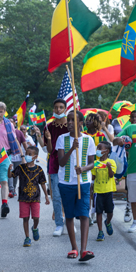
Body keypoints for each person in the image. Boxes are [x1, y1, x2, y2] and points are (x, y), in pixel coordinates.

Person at [56, 111, 96, 261]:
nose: (70, 123)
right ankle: (74, 248)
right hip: (66, 182)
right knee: (70, 214)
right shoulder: (62, 139)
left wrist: (84, 169)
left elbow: (92, 162)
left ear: (81, 123)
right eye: (69, 120)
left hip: (84, 182)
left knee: (84, 213)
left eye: (74, 120)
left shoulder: (88, 140)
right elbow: (61, 162)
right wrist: (72, 148)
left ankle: (84, 249)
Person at [8, 146, 50, 247]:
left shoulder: (39, 170)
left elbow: (43, 183)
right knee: (25, 218)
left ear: (35, 157)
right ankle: (27, 237)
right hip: (23, 198)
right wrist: (9, 169)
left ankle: (35, 228)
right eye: (26, 154)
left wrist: (47, 196)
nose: (27, 156)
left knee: (36, 217)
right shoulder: (20, 168)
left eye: (29, 154)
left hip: (35, 198)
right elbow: (11, 176)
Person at [44, 98, 69, 236]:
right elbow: (49, 150)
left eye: (61, 107)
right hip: (54, 164)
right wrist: (48, 138)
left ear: (65, 108)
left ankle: (69, 220)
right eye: (56, 107)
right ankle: (59, 224)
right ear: (53, 109)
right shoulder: (49, 127)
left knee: (69, 194)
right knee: (57, 195)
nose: (58, 110)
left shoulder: (71, 126)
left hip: (69, 163)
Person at [92, 142, 117, 241]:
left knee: (110, 211)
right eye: (97, 148)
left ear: (106, 151)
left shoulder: (111, 162)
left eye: (99, 148)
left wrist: (109, 167)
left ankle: (107, 222)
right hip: (98, 190)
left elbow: (111, 175)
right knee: (99, 212)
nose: (97, 150)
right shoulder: (95, 163)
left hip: (108, 190)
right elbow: (93, 177)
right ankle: (100, 232)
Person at [8, 126, 28, 199]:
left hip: (18, 156)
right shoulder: (5, 132)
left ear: (14, 124)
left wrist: (27, 155)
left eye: (11, 122)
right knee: (9, 171)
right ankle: (11, 189)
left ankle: (14, 187)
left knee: (15, 173)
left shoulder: (19, 132)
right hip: (8, 155)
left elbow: (24, 143)